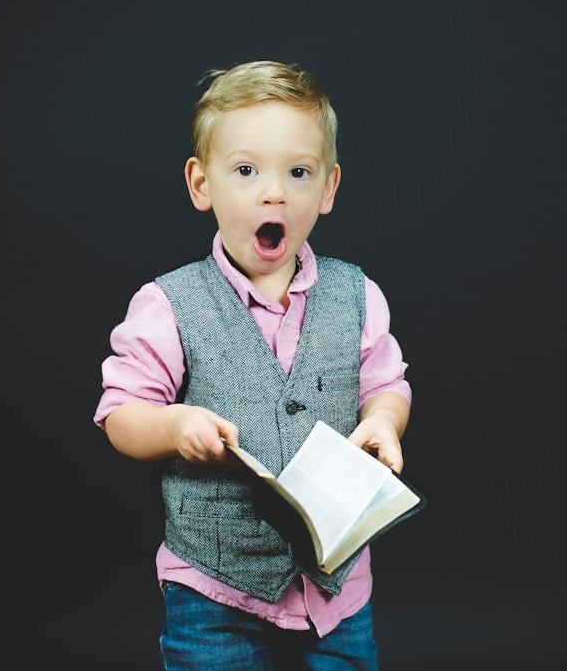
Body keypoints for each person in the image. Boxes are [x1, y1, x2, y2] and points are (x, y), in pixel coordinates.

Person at [93, 59, 412, 671]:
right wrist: (173, 425)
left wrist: (384, 421)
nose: (275, 192)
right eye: (245, 171)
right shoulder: (168, 304)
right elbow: (119, 414)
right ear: (201, 184)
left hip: (337, 591)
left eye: (298, 172)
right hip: (214, 589)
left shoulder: (358, 295)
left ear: (328, 188)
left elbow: (386, 383)